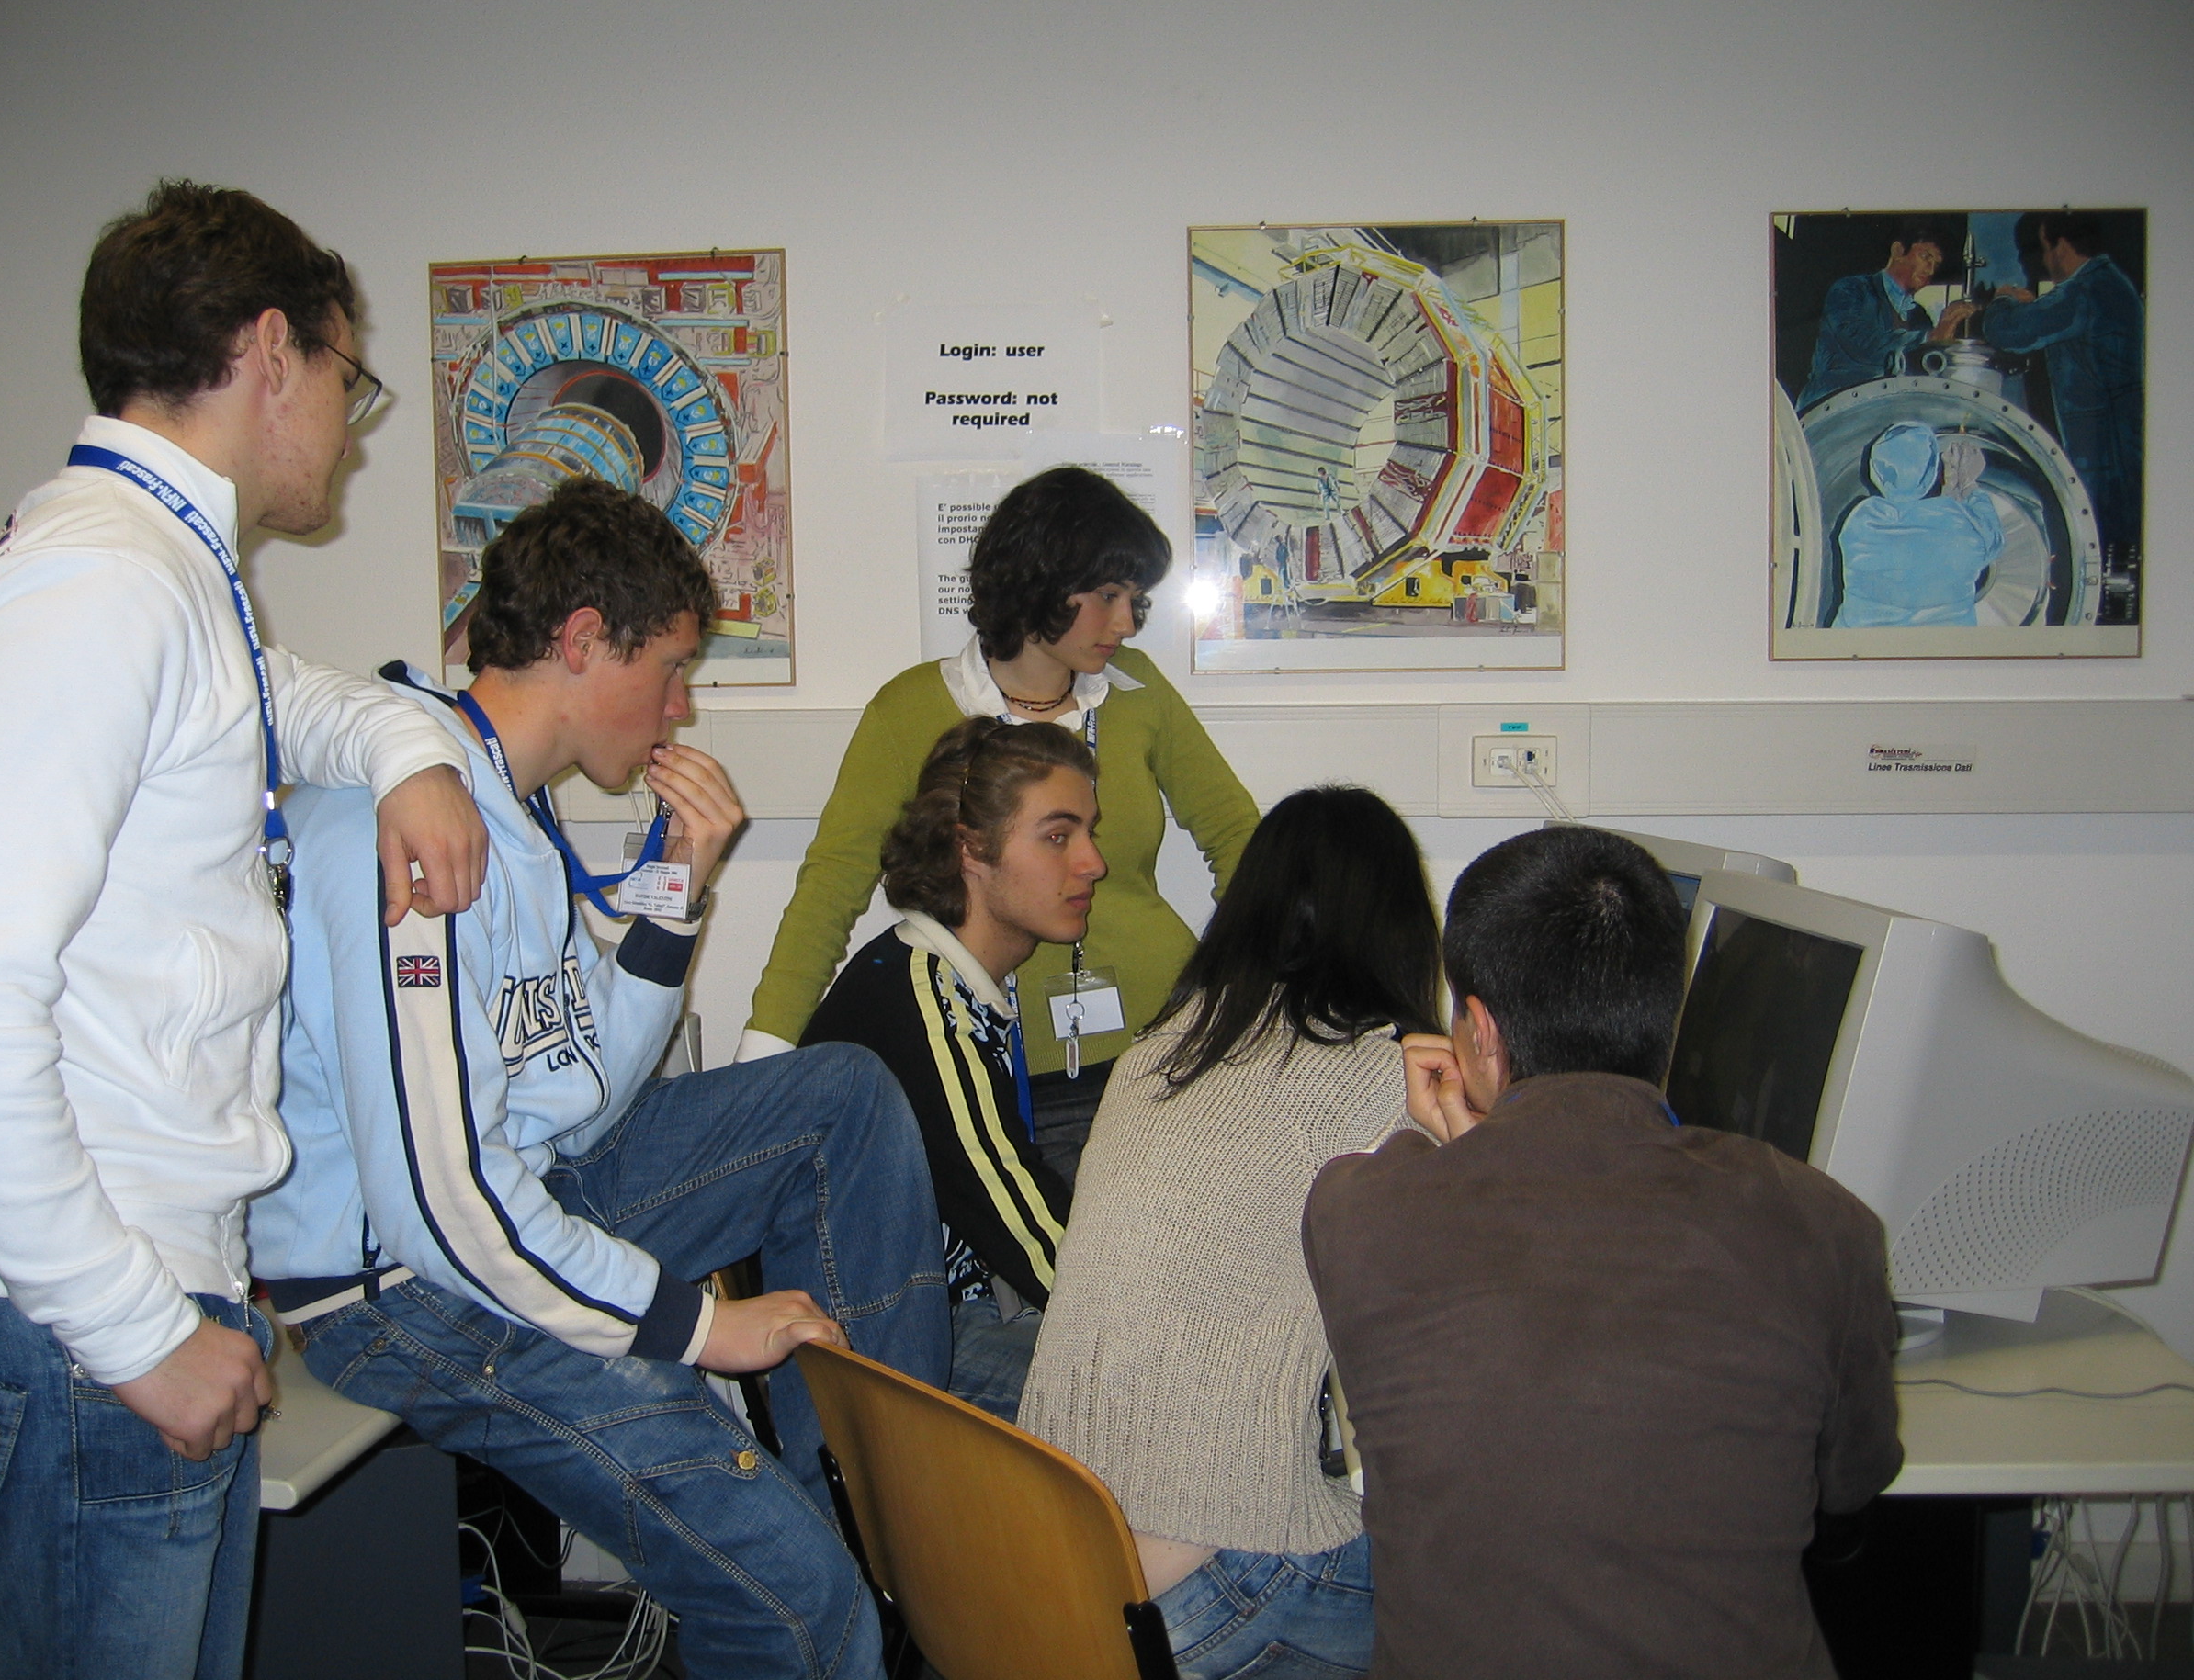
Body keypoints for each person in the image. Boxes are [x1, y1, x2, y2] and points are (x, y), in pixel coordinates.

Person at [0, 180, 491, 1680]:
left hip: (76, 1301)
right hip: (59, 1327)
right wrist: (135, 1330)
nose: (350, 424)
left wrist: (410, 750)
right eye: (348, 375)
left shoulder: (150, 567)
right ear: (273, 351)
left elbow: (277, 703)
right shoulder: (104, 585)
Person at [249, 478, 949, 1680]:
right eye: (670, 669)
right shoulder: (409, 819)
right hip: (410, 1292)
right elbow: (443, 1210)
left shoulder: (510, 805)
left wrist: (675, 886)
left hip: (523, 1196)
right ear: (581, 641)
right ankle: (826, 1587)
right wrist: (701, 1328)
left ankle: (889, 1524)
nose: (684, 707)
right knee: (799, 1609)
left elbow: (582, 1100)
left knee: (837, 1097)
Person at [1302, 825, 1902, 1679]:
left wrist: (1473, 1144)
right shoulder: (1825, 1224)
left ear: (1480, 1030)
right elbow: (1852, 1481)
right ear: (1668, 1012)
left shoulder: (1357, 1212)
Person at [1019, 785, 1441, 1680]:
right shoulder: (1379, 1078)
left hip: (1066, 1577)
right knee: (1503, 1569)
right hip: (1218, 1581)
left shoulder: (1159, 1049)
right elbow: (1458, 1323)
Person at [743, 466, 1257, 1183]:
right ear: (1042, 582)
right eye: (1108, 596)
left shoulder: (1139, 693)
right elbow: (831, 888)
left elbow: (1240, 838)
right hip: (998, 1071)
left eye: (1134, 599)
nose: (1126, 623)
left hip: (1164, 1050)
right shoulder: (910, 710)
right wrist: (760, 1065)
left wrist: (1246, 991)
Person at [799, 716, 1103, 1420]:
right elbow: (1033, 1236)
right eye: (1058, 836)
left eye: (1089, 832)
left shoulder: (948, 976)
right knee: (1163, 1399)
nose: (1093, 863)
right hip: (892, 1354)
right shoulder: (927, 1005)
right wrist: (1179, 1338)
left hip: (949, 1317)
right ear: (970, 848)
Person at [1981, 209, 2145, 563]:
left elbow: (2009, 332)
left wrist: (2002, 301)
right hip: (2119, 443)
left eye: (2044, 249)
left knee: (2099, 544)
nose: (2044, 260)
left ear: (2061, 247)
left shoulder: (2085, 290)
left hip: (2103, 452)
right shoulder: (2108, 284)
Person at [1832, 419, 2007, 626]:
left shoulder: (1860, 520)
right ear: (1932, 472)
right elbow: (1993, 540)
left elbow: (1915, 537)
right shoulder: (1961, 526)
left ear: (1876, 471)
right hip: (1943, 645)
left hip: (1862, 643)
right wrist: (1968, 484)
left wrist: (1949, 497)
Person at [1796, 218, 1976, 412]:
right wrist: (1929, 339)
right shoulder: (1851, 290)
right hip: (1831, 408)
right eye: (1925, 256)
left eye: (1936, 264)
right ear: (1898, 251)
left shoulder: (1919, 316)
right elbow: (1863, 345)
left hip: (1886, 409)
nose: (1931, 270)